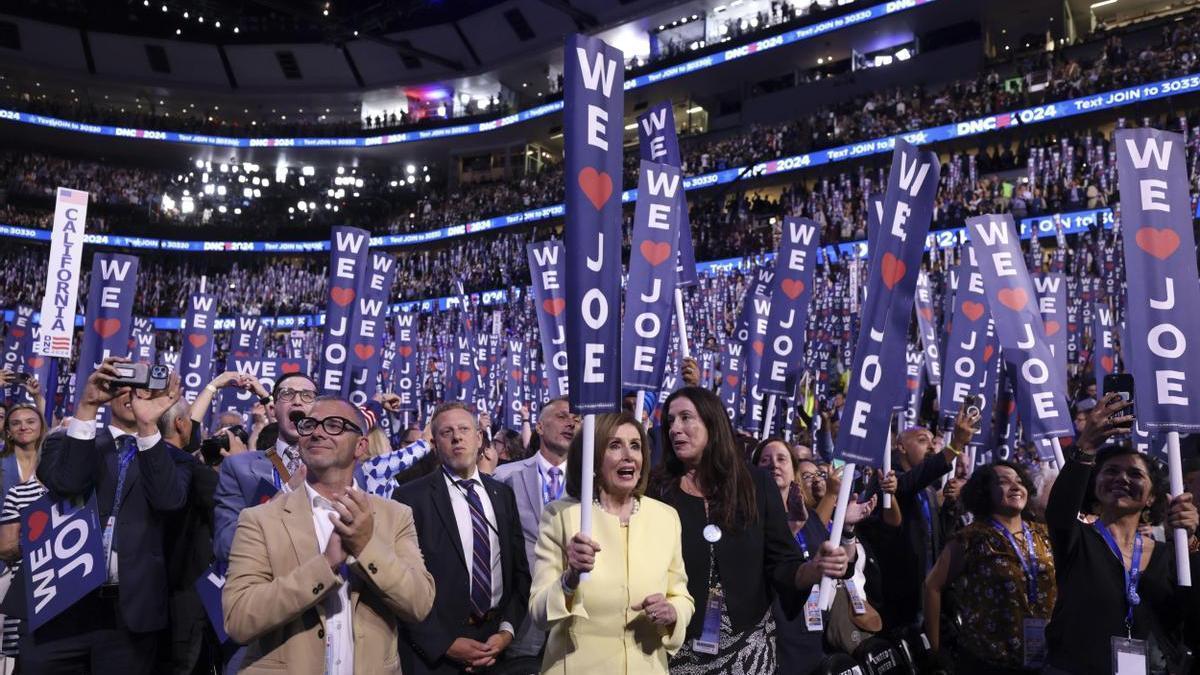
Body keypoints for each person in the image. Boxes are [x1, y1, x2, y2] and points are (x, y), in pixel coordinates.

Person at [222, 395, 436, 673]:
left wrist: (366, 548)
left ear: (361, 446)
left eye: (335, 425)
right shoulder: (259, 519)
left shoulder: (396, 516)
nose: (318, 432)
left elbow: (419, 604)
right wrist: (326, 564)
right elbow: (238, 620)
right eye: (309, 425)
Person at [649, 386, 847, 674]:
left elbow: (783, 563)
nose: (675, 428)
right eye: (670, 421)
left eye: (685, 418)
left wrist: (814, 568)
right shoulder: (658, 490)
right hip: (681, 647)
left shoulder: (756, 485)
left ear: (712, 423)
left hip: (749, 650)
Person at [28, 358, 193, 672]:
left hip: (128, 615)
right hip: (58, 605)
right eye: (126, 382)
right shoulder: (66, 441)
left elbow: (168, 501)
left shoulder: (175, 460)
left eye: (145, 385)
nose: (134, 394)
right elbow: (68, 485)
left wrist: (147, 426)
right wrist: (88, 405)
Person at [1043, 393, 1199, 674]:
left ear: (1151, 497)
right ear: (1097, 484)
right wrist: (1087, 444)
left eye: (1136, 475)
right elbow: (1059, 510)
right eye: (1111, 471)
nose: (1122, 478)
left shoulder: (1171, 554)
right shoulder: (1078, 540)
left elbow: (1189, 616)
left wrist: (1188, 541)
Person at [529, 411, 694, 674]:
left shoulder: (666, 518)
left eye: (636, 446)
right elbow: (538, 614)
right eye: (615, 445)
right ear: (592, 459)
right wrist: (570, 579)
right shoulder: (561, 516)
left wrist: (673, 612)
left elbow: (681, 595)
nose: (629, 455)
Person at [395, 402, 531, 674]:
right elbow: (400, 587)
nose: (457, 437)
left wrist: (506, 632)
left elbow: (519, 573)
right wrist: (443, 643)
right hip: (436, 656)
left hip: (495, 648)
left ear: (479, 438)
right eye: (446, 432)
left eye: (464, 429)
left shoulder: (502, 495)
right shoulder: (410, 498)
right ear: (434, 443)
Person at [924, 460, 1056, 674]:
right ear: (985, 491)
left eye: (1020, 481)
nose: (1015, 486)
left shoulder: (1044, 534)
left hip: (1044, 658)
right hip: (987, 662)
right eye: (1004, 482)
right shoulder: (971, 537)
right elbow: (932, 587)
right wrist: (935, 649)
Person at [875, 405, 975, 634]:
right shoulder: (886, 480)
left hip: (928, 595)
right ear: (900, 446)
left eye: (933, 441)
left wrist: (949, 507)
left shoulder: (928, 490)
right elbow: (907, 483)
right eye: (922, 440)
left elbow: (937, 537)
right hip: (899, 602)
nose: (931, 446)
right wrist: (956, 445)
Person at [493, 397, 577, 659]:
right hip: (521, 613)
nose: (571, 423)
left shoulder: (590, 483)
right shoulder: (504, 476)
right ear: (539, 427)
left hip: (572, 611)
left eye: (576, 418)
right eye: (563, 416)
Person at [156, 398, 223, 674]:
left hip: (135, 596)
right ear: (180, 424)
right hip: (184, 597)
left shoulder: (132, 460)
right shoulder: (196, 472)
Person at [0, 402, 48, 662]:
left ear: (41, 427)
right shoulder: (1, 466)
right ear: (7, 431)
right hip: (6, 564)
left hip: (43, 570)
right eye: (16, 423)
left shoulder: (54, 465)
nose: (24, 427)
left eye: (30, 421)